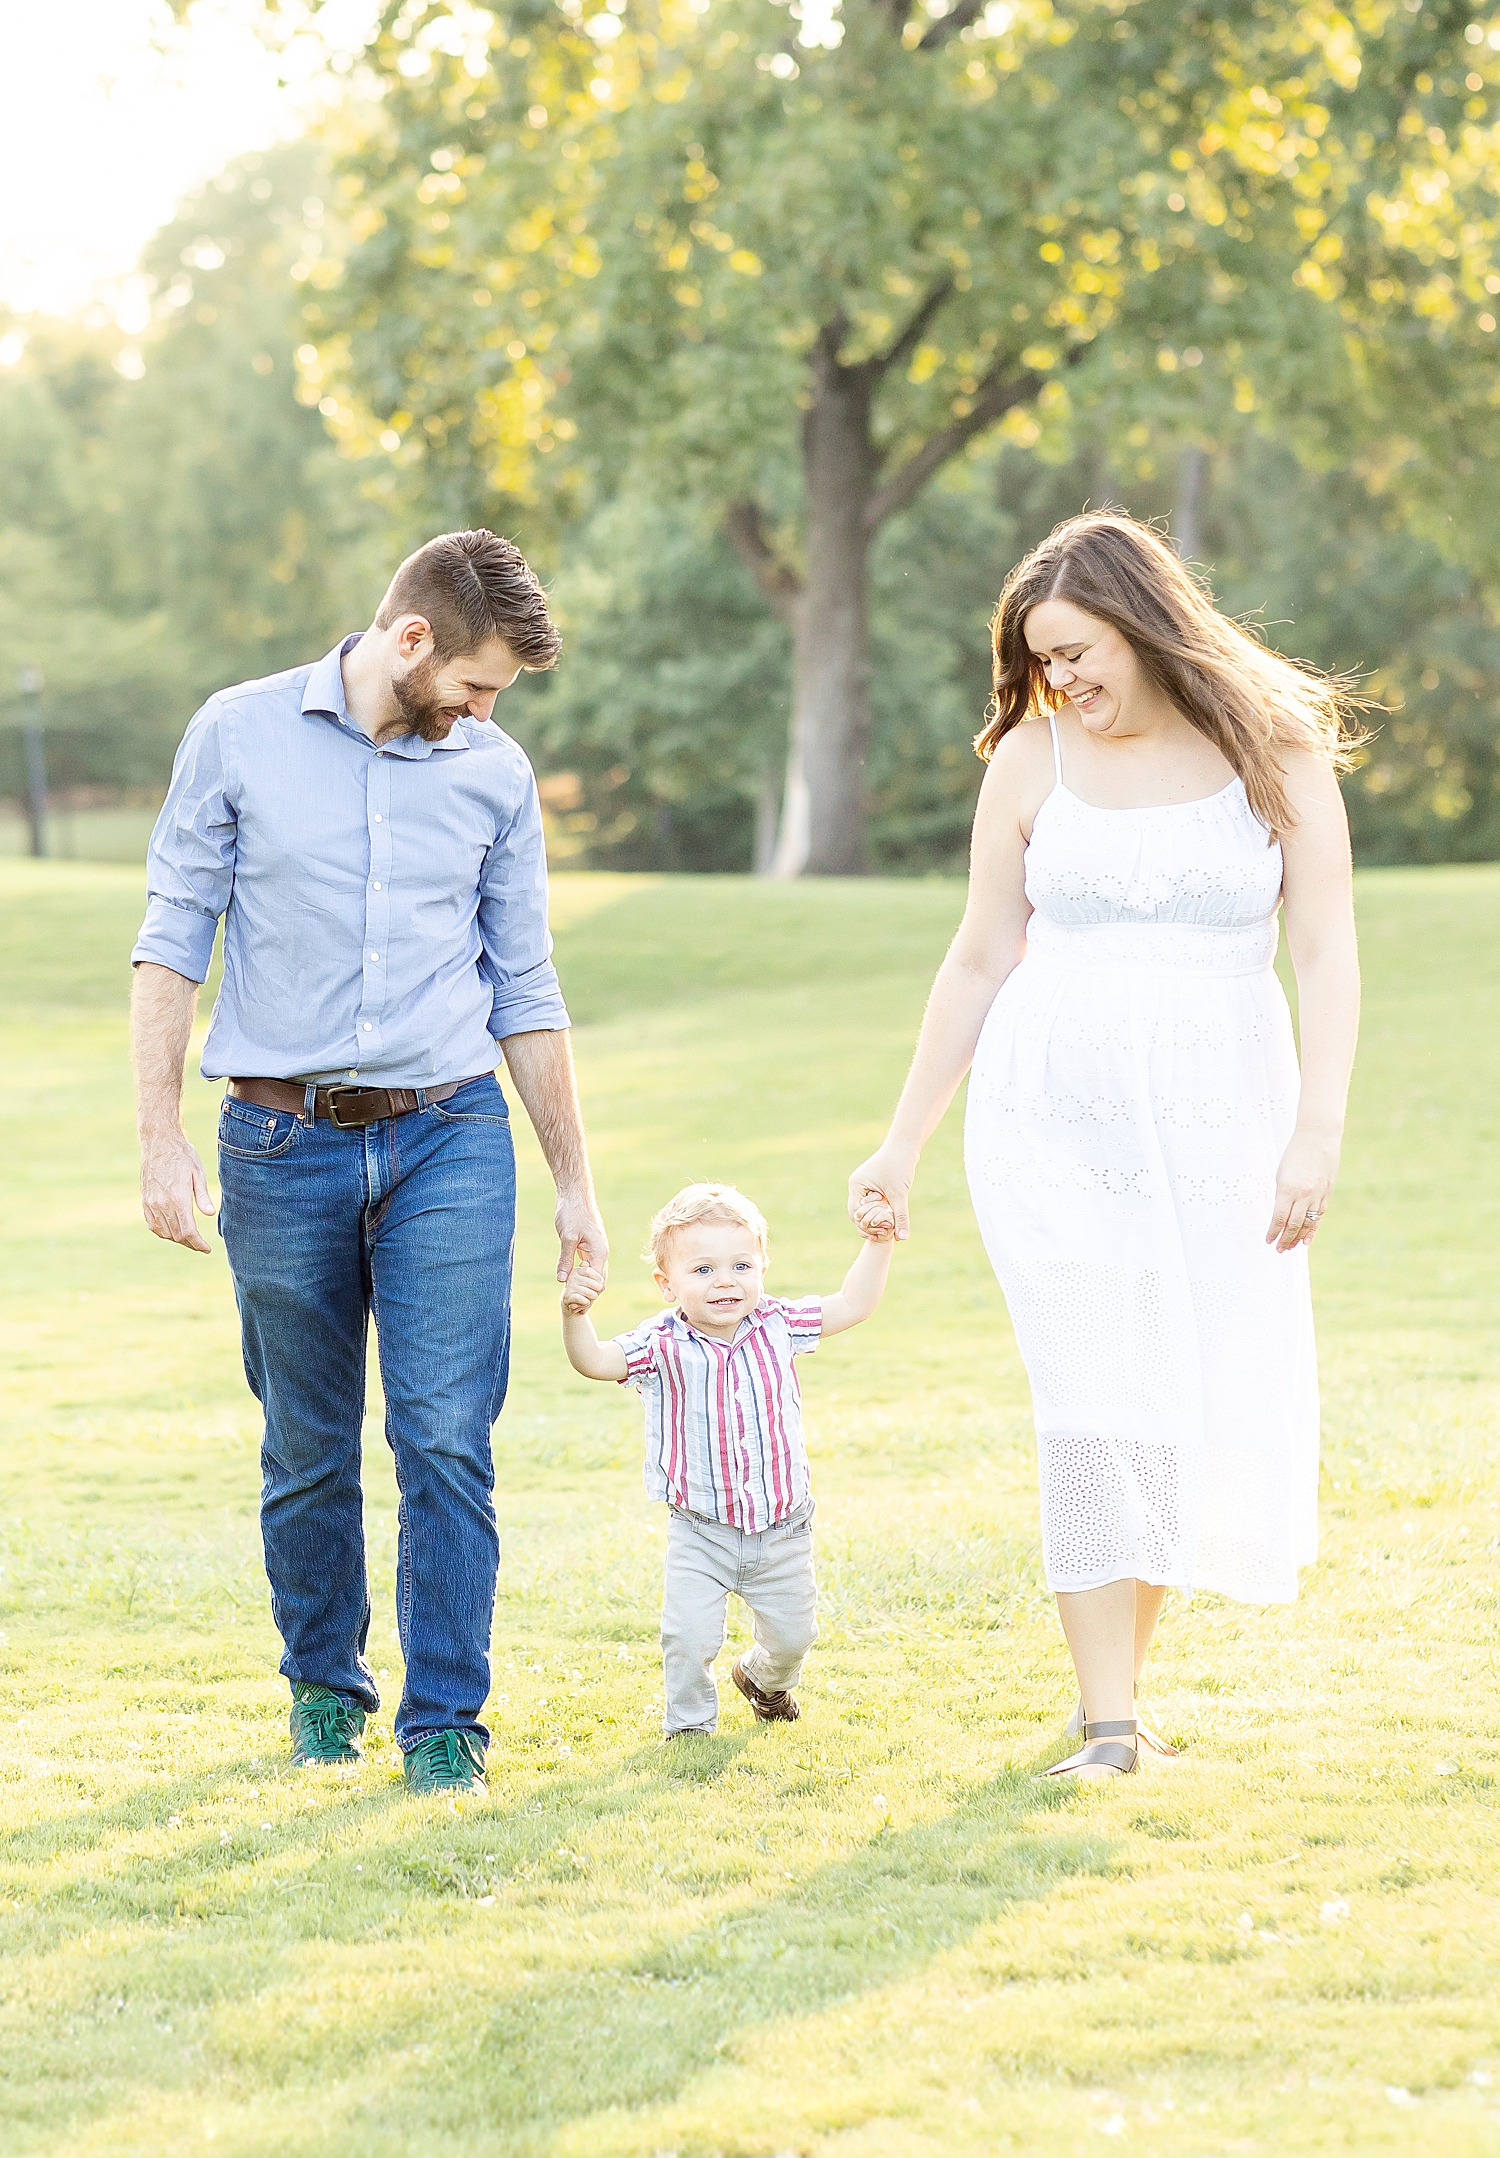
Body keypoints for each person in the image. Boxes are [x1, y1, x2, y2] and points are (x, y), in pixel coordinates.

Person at [848, 513, 1361, 1779]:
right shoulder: (1030, 760)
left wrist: (1317, 1131)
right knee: (1090, 1397)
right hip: (1049, 1120)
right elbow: (980, 953)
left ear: (1143, 620)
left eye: (1076, 651)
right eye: (1040, 660)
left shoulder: (1276, 751)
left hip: (1221, 1117)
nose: (1061, 680)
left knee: (1170, 1400)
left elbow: (1327, 949)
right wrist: (902, 1136)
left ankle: (1124, 1703)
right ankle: (1108, 1722)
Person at [131, 529, 607, 1797]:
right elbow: (172, 937)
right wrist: (161, 1137)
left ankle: (446, 1717)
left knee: (448, 1433)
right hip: (278, 1143)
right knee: (308, 1439)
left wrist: (573, 1179)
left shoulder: (491, 774)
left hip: (450, 1132)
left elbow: (526, 981)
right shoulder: (235, 735)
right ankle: (324, 1694)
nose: (484, 714)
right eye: (477, 684)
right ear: (412, 640)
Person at [560, 1183, 893, 1736]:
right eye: (703, 1269)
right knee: (688, 1637)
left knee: (794, 1635)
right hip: (701, 1531)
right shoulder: (660, 1343)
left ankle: (763, 1678)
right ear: (667, 1284)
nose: (725, 1281)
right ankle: (690, 1727)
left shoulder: (777, 1324)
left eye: (741, 1264)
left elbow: (853, 1304)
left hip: (783, 1528)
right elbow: (594, 1361)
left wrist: (877, 1244)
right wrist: (577, 1313)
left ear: (763, 1266)